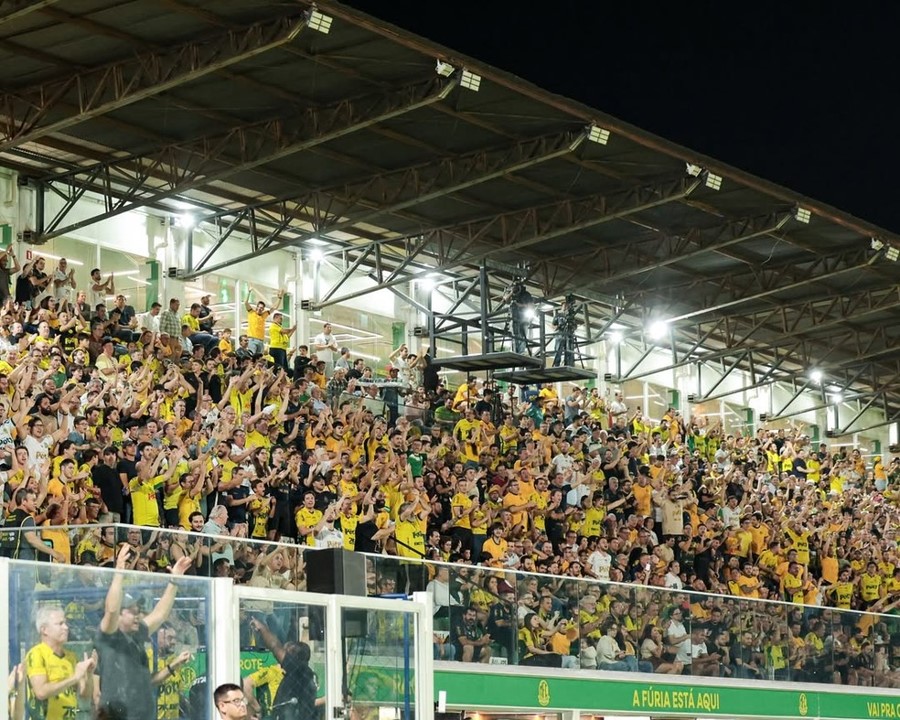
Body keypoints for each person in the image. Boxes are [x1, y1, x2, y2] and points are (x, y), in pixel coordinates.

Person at [94, 545, 192, 720]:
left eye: (138, 611)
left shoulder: (137, 634)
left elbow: (160, 614)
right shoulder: (109, 636)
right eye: (131, 611)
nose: (137, 615)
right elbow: (111, 609)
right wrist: (119, 572)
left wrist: (174, 581)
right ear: (120, 615)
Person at [24, 605, 95, 720]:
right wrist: (74, 678)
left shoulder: (70, 657)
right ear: (44, 630)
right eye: (60, 624)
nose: (66, 627)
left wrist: (89, 674)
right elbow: (41, 692)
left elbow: (85, 695)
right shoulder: (37, 654)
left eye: (66, 623)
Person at [249, 618, 324, 720]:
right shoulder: (305, 675)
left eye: (286, 652)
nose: (280, 660)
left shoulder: (298, 670)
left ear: (293, 658)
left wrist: (262, 628)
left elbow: (274, 646)